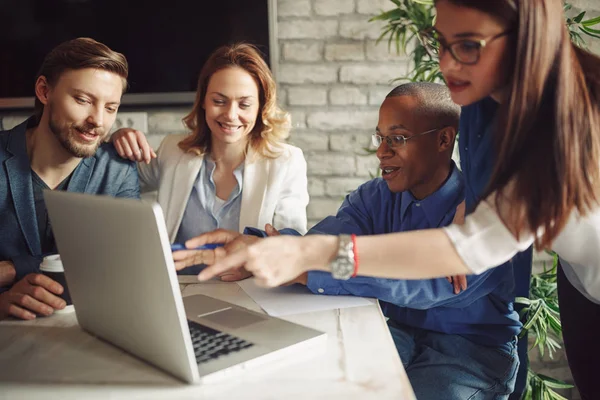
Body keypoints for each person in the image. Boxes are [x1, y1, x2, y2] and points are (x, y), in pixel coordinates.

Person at [195, 2, 600, 397]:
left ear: (526, 37)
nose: (446, 65)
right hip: (581, 282)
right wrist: (286, 250)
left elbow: (462, 254)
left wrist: (309, 257)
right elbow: (470, 229)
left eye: (468, 46)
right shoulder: (479, 106)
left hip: (473, 348)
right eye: (441, 43)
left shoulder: (563, 134)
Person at [180, 82, 521, 399]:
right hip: (398, 333)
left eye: (398, 139)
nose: (381, 152)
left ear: (444, 140)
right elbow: (323, 241)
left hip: (472, 351)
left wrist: (303, 266)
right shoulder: (375, 197)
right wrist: (263, 248)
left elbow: (423, 287)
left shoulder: (484, 217)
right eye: (380, 138)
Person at [111, 43, 308, 278]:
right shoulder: (173, 151)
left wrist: (255, 264)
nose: (231, 115)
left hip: (248, 295)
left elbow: (291, 244)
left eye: (244, 104)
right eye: (219, 101)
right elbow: (116, 181)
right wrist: (116, 138)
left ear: (260, 107)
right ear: (203, 100)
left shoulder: (286, 162)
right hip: (180, 292)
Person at [0, 37, 140, 320]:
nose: (98, 121)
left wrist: (16, 268)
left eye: (111, 107)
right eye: (83, 100)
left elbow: (125, 262)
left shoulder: (117, 170)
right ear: (44, 91)